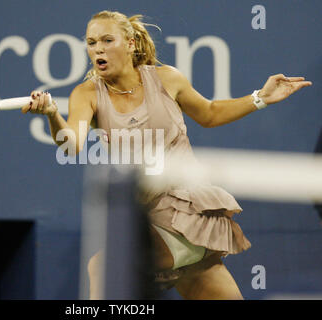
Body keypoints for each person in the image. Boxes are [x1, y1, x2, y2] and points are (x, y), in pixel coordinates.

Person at [21, 10, 312, 300]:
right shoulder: (86, 94)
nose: (98, 48)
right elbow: (71, 145)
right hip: (150, 220)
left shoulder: (167, 79)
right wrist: (51, 115)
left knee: (100, 266)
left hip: (189, 215)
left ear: (131, 43)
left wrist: (260, 97)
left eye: (108, 40)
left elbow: (209, 114)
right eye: (92, 42)